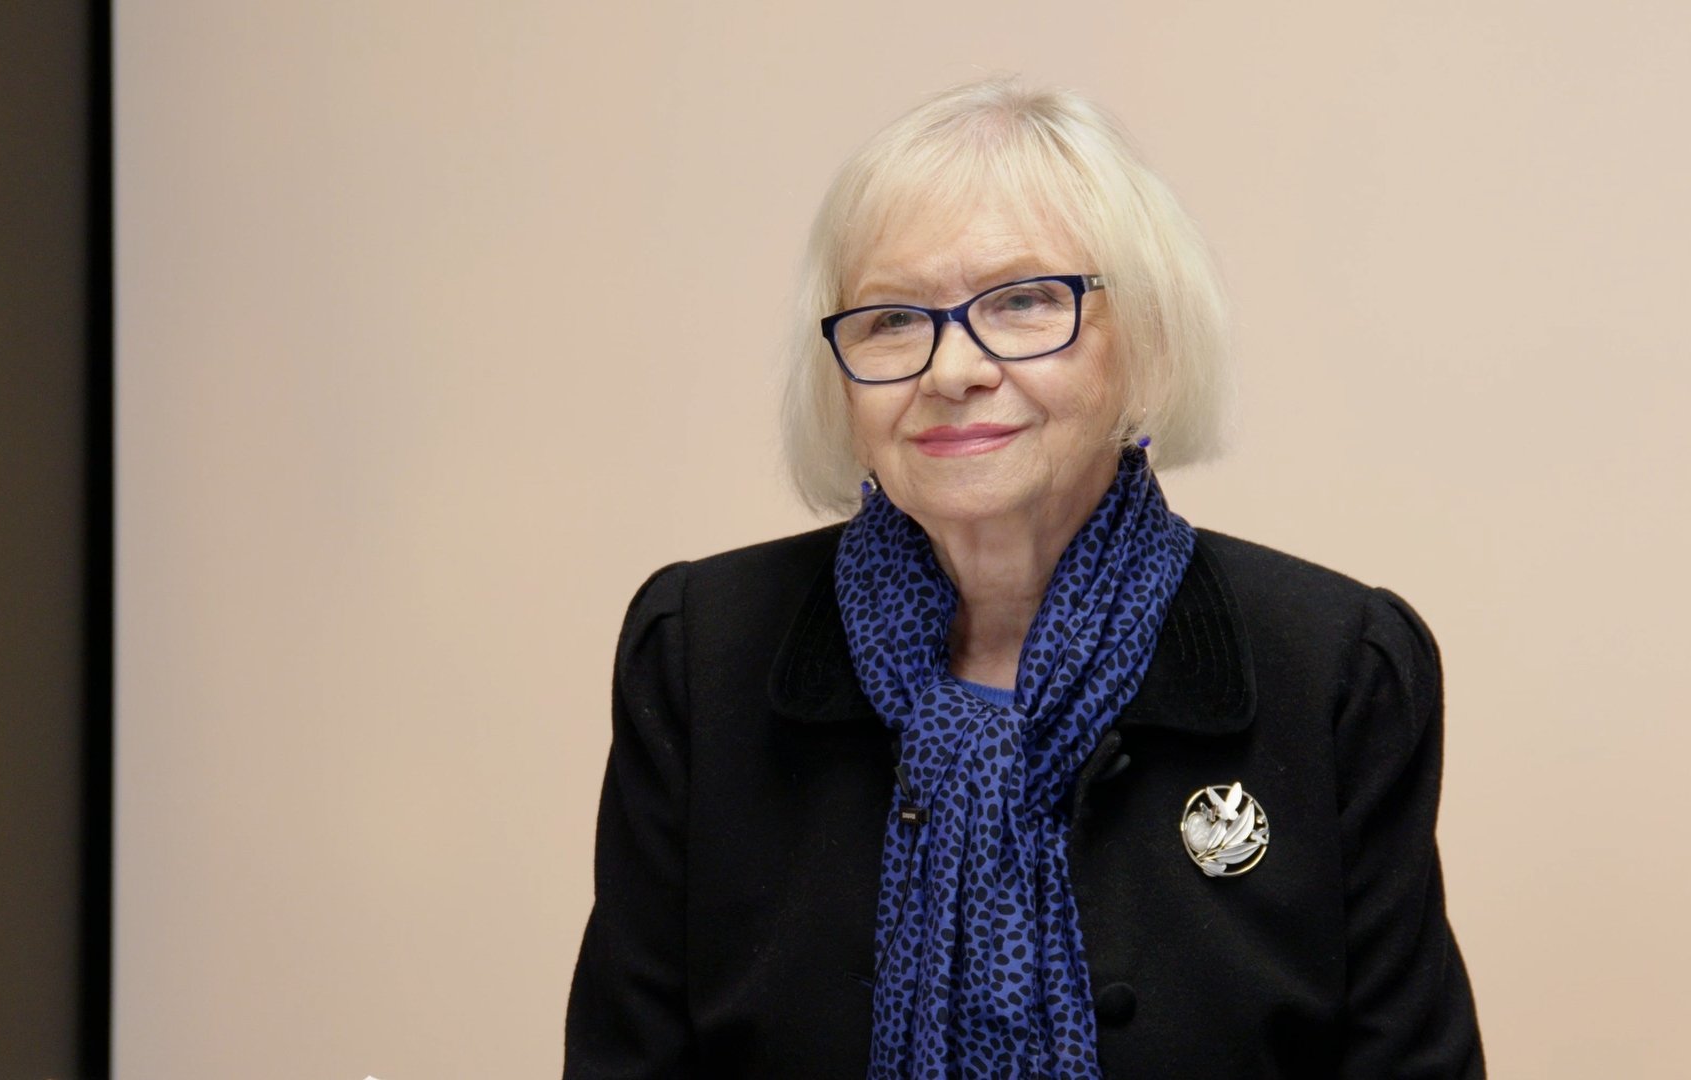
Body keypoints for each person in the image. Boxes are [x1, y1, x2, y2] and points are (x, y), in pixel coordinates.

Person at [563, 74, 1484, 1079]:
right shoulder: (700, 653)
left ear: (1146, 340)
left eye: (1024, 301)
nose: (952, 370)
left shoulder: (1335, 668)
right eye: (891, 319)